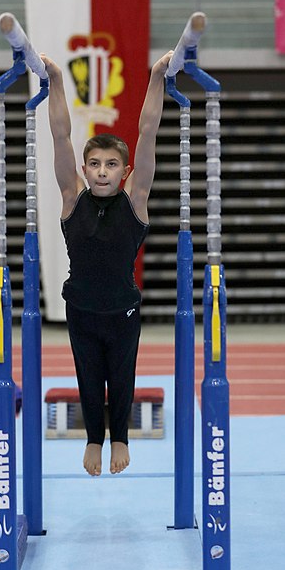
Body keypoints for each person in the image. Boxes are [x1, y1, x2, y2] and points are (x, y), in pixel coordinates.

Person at [41, 49, 173, 476]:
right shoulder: (70, 199)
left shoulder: (136, 202)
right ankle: (93, 439)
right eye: (94, 164)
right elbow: (60, 136)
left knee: (121, 377)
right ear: (82, 168)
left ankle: (119, 437)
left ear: (125, 171)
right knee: (87, 375)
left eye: (111, 165)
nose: (101, 171)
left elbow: (148, 131)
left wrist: (156, 77)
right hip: (79, 309)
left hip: (122, 310)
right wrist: (56, 81)